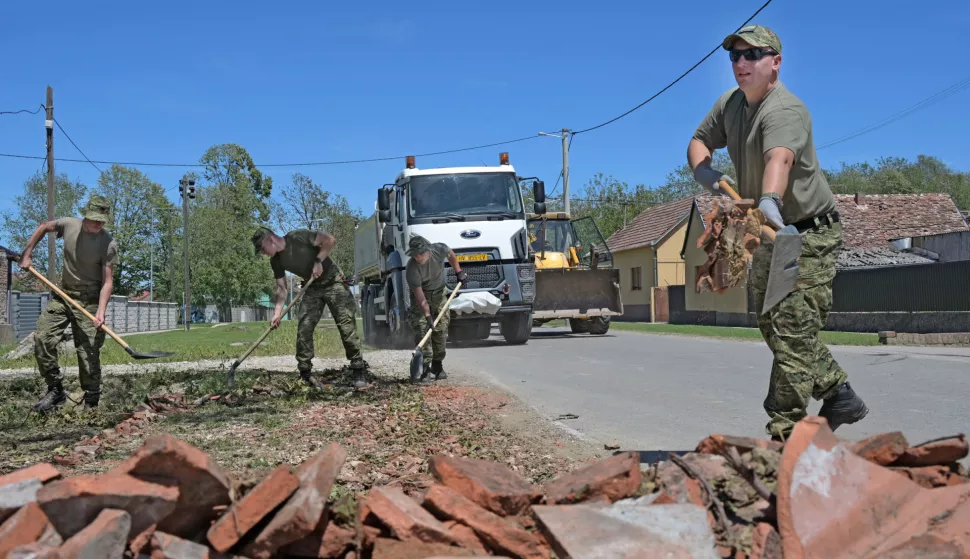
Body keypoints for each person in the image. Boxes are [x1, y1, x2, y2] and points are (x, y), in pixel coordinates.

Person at [687, 24, 868, 440]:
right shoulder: (730, 104)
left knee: (791, 327)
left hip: (805, 234)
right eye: (735, 56)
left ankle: (786, 437)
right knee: (772, 323)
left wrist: (769, 197)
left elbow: (779, 159)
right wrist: (706, 172)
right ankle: (839, 393)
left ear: (776, 62)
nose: (741, 63)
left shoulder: (784, 110)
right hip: (767, 232)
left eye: (752, 54)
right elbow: (699, 140)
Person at [18, 195, 118, 411]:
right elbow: (44, 226)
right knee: (43, 339)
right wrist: (27, 253)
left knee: (88, 351)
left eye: (102, 220)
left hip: (90, 299)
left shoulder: (108, 244)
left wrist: (100, 312)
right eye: (94, 219)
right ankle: (55, 390)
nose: (98, 224)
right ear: (85, 215)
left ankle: (91, 400)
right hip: (63, 294)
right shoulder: (69, 225)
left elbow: (107, 282)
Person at [252, 226, 368, 389]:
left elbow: (329, 240)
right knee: (304, 328)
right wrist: (276, 313)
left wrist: (318, 261)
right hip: (312, 287)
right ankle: (305, 374)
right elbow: (282, 289)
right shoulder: (276, 261)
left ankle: (358, 370)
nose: (263, 253)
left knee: (346, 326)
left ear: (270, 240)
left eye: (262, 249)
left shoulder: (297, 237)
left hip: (333, 282)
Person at [404, 235, 468, 381]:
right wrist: (427, 316)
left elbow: (450, 254)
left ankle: (437, 365)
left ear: (428, 250)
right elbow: (420, 297)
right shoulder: (411, 269)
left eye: (421, 253)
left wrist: (458, 272)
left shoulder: (439, 249)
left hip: (439, 293)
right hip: (421, 296)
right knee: (422, 329)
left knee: (441, 329)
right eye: (415, 254)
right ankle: (425, 368)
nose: (418, 257)